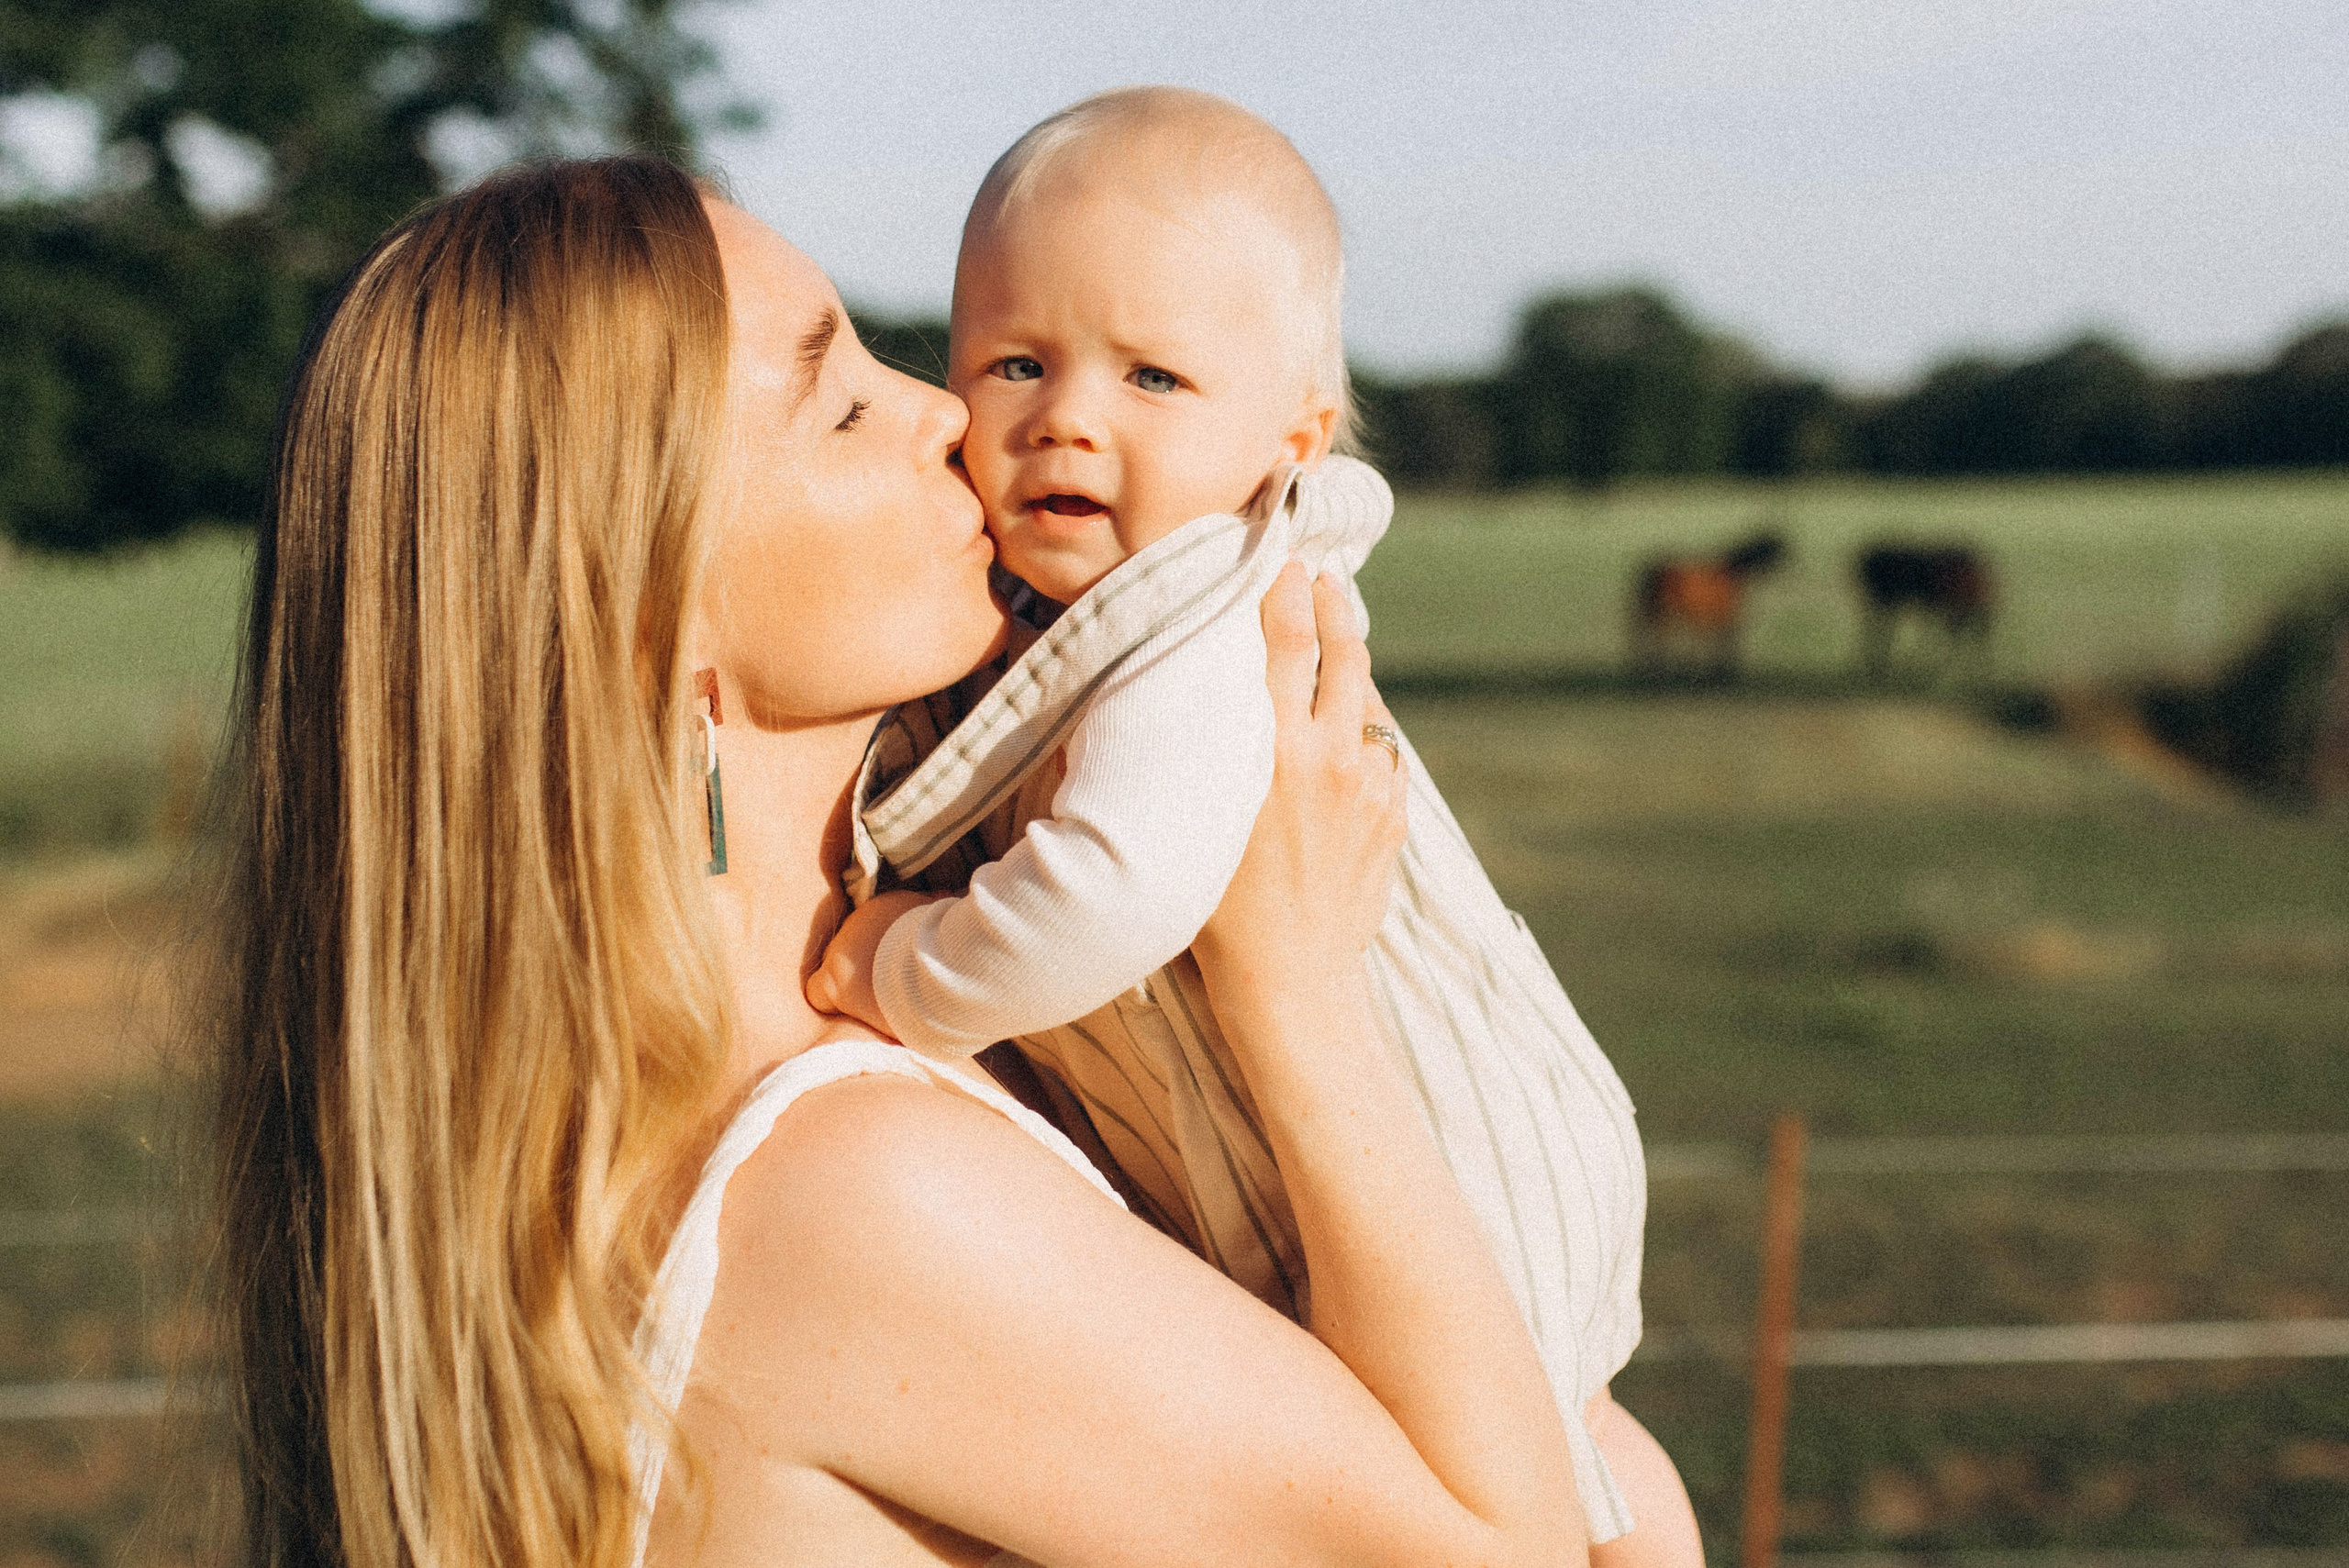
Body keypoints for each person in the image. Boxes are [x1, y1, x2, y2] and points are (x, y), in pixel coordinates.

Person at [208, 153, 1589, 1568]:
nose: (953, 415)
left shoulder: (610, 1144)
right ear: (650, 625)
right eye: (843, 402)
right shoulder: (852, 1188)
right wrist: (1295, 992)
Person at [802, 87, 1697, 1561]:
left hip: (1431, 1166)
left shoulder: (1197, 624)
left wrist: (898, 966)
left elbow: (1117, 890)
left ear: (1294, 432)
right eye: (1017, 361)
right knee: (1595, 1472)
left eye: (1153, 377)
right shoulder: (1061, 623)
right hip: (1377, 1173)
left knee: (1532, 1470)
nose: (1068, 416)